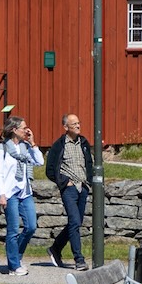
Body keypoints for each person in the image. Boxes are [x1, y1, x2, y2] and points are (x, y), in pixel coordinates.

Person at [0, 115, 42, 276]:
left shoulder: (25, 147)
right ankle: (13, 266)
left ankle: (16, 257)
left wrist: (33, 143)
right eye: (23, 128)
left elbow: (39, 162)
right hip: (10, 194)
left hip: (24, 192)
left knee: (31, 226)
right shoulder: (3, 150)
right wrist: (2, 195)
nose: (27, 130)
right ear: (14, 130)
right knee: (13, 229)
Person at [46, 112, 94, 269]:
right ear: (66, 127)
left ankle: (55, 248)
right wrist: (65, 182)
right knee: (74, 221)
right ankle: (79, 259)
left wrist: (89, 182)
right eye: (74, 124)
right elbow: (50, 170)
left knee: (76, 222)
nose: (78, 126)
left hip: (83, 187)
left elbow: (89, 164)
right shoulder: (59, 145)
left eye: (79, 123)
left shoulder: (84, 143)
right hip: (70, 189)